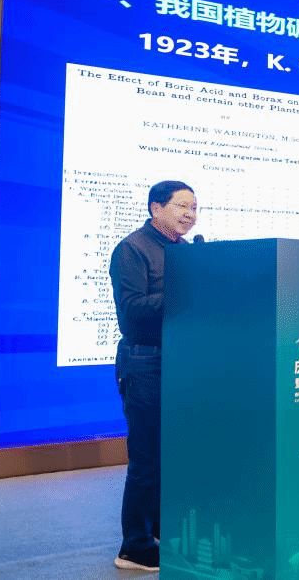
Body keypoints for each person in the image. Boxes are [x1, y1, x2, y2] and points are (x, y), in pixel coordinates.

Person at [109, 180, 197, 572]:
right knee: (146, 457)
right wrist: (188, 291)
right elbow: (132, 309)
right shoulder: (133, 249)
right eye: (182, 206)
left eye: (194, 207)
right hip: (145, 361)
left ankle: (160, 528)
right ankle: (134, 547)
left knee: (172, 453)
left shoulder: (186, 252)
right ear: (155, 208)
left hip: (180, 361)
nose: (190, 214)